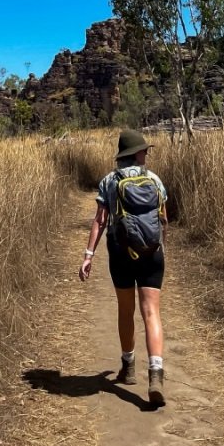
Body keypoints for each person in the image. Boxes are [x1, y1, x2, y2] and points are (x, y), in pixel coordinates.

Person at [78, 128, 168, 406]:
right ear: (137, 153)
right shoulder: (154, 179)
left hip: (120, 252)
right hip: (152, 253)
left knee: (126, 310)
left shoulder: (109, 181)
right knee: (151, 312)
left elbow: (100, 220)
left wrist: (88, 254)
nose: (146, 154)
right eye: (144, 150)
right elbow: (163, 218)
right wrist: (157, 246)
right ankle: (155, 373)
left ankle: (128, 366)